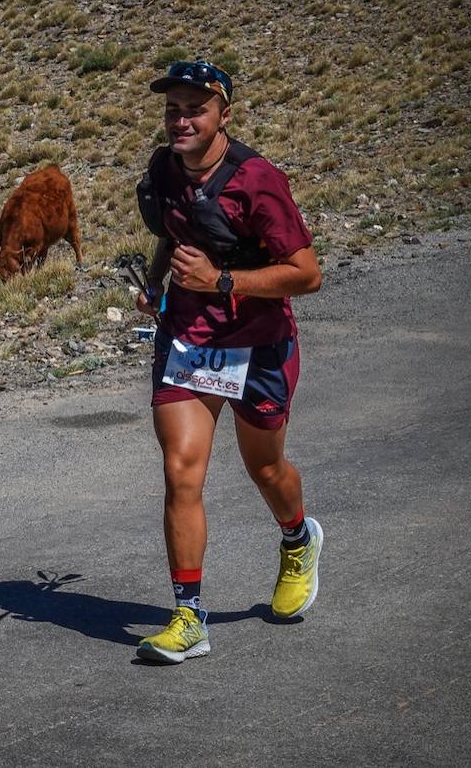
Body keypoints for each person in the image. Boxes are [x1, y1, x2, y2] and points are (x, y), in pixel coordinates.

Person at [131, 60, 324, 664]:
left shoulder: (257, 180)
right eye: (172, 110)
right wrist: (159, 285)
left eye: (195, 109)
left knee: (265, 469)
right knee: (182, 470)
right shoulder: (165, 167)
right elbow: (173, 230)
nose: (180, 120)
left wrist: (222, 282)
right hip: (188, 338)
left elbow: (307, 274)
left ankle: (298, 539)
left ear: (224, 115)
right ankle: (189, 616)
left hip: (258, 341)